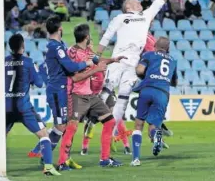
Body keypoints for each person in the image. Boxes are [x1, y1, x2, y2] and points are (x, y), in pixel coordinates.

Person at [95, 0, 188, 143]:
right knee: (105, 93)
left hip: (132, 64)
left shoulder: (146, 16)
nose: (140, 4)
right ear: (128, 6)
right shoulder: (120, 17)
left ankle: (111, 132)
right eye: (137, 3)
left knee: (123, 98)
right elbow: (106, 38)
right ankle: (91, 117)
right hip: (117, 61)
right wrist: (95, 58)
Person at [0, 34, 60, 176]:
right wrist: (39, 71)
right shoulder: (28, 62)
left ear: (9, 47)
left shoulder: (2, 62)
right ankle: (48, 166)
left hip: (7, 107)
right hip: (23, 106)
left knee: (1, 138)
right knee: (44, 135)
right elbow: (39, 83)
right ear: (23, 45)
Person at [28, 16, 94, 168]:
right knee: (61, 126)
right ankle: (48, 156)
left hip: (62, 89)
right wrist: (88, 63)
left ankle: (50, 156)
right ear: (60, 29)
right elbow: (70, 67)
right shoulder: (56, 47)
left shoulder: (58, 45)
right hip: (57, 90)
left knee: (62, 125)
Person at [58, 24, 125, 169]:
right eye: (90, 35)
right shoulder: (73, 53)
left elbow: (97, 60)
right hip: (77, 95)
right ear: (87, 37)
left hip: (91, 96)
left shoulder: (87, 50)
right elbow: (75, 78)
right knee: (72, 127)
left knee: (109, 121)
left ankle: (105, 159)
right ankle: (62, 162)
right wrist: (96, 70)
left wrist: (113, 60)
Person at [130, 37, 178, 166]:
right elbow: (175, 82)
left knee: (138, 125)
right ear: (168, 49)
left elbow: (139, 70)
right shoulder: (173, 60)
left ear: (155, 45)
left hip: (147, 89)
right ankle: (156, 134)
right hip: (162, 93)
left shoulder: (149, 54)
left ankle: (135, 159)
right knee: (153, 126)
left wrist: (146, 75)